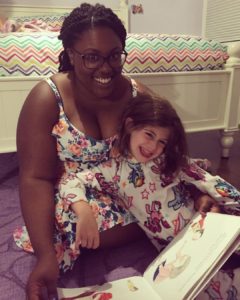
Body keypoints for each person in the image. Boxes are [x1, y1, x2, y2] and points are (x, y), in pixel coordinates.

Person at [12, 2, 233, 300]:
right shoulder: (46, 97)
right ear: (69, 54)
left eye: (114, 55)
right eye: (91, 57)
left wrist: (195, 194)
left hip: (134, 187)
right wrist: (45, 257)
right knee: (67, 227)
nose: (105, 68)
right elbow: (35, 178)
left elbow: (167, 150)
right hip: (79, 194)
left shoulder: (135, 94)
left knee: (191, 204)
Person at [59, 94, 240, 251]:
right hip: (176, 253)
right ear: (130, 125)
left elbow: (212, 183)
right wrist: (83, 211)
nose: (153, 147)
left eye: (162, 142)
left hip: (207, 228)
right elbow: (70, 181)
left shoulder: (167, 160)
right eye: (149, 134)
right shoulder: (112, 170)